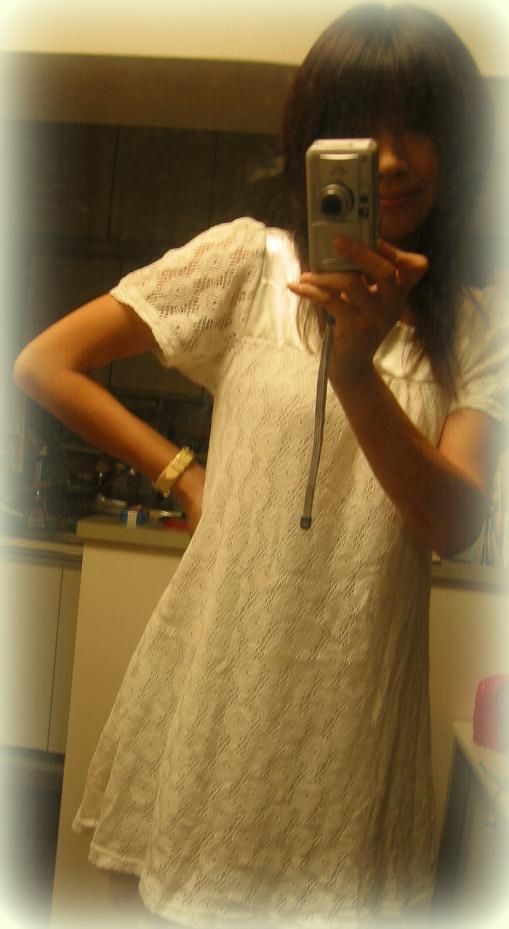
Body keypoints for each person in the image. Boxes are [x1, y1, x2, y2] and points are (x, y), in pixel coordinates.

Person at [13, 3, 509, 927]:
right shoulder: (247, 263)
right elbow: (45, 363)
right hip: (215, 690)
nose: (391, 158)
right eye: (362, 125)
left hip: (353, 721)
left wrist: (355, 370)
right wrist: (183, 474)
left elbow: (452, 524)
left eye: (419, 125)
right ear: (316, 137)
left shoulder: (481, 320)